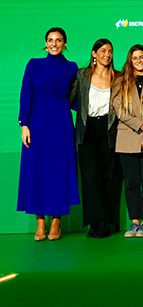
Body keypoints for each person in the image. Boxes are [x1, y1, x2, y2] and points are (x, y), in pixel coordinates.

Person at [18, 27, 79, 241]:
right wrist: (24, 124)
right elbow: (26, 93)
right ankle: (40, 221)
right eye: (50, 40)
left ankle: (56, 221)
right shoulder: (34, 64)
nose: (54, 44)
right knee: (37, 171)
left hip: (61, 124)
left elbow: (77, 99)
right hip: (37, 124)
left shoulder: (72, 67)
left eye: (59, 40)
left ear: (65, 44)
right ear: (45, 43)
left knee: (59, 171)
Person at [69, 38, 119, 239]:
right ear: (94, 53)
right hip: (87, 129)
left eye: (110, 51)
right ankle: (94, 222)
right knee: (90, 178)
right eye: (103, 51)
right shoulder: (82, 75)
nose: (107, 54)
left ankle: (106, 222)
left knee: (109, 177)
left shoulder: (117, 77)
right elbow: (71, 100)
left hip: (109, 128)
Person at [113, 45, 143, 238]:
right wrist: (141, 126)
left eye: (141, 57)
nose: (139, 61)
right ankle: (134, 221)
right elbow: (120, 111)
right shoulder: (120, 82)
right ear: (130, 61)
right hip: (127, 138)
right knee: (132, 183)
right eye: (135, 58)